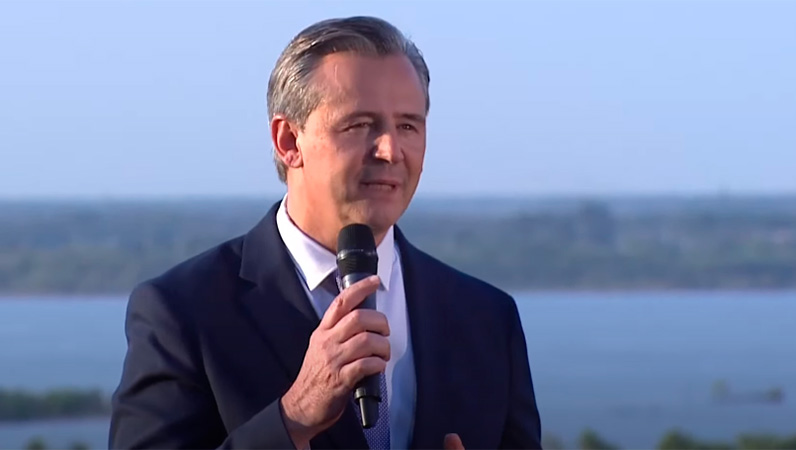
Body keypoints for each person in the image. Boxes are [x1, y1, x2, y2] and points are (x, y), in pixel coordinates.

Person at [108, 15, 542, 450]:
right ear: (288, 141)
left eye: (408, 125)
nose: (390, 150)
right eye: (360, 125)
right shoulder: (183, 312)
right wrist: (293, 417)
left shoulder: (487, 318)